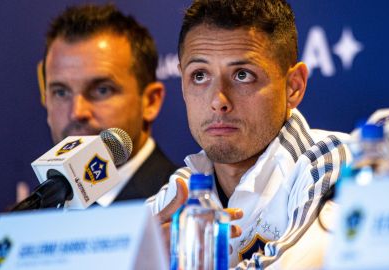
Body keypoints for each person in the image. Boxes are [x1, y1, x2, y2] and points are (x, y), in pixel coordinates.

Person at [147, 0, 351, 268]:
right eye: (199, 76)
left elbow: (297, 264)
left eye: (242, 75)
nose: (218, 100)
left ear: (294, 86)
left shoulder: (333, 161)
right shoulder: (181, 191)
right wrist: (142, 254)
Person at [41, 4, 177, 206]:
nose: (77, 112)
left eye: (101, 90)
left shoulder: (183, 209)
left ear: (150, 101)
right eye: (61, 92)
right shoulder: (32, 214)